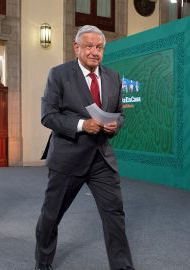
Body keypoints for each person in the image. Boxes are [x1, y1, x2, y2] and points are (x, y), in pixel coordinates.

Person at [35, 25, 134, 270]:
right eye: (89, 46)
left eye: (99, 47)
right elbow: (48, 116)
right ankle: (43, 262)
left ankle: (122, 267)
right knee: (52, 214)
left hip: (102, 157)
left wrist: (115, 124)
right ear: (77, 48)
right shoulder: (58, 74)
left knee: (115, 215)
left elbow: (120, 113)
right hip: (68, 157)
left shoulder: (113, 76)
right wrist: (81, 125)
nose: (94, 52)